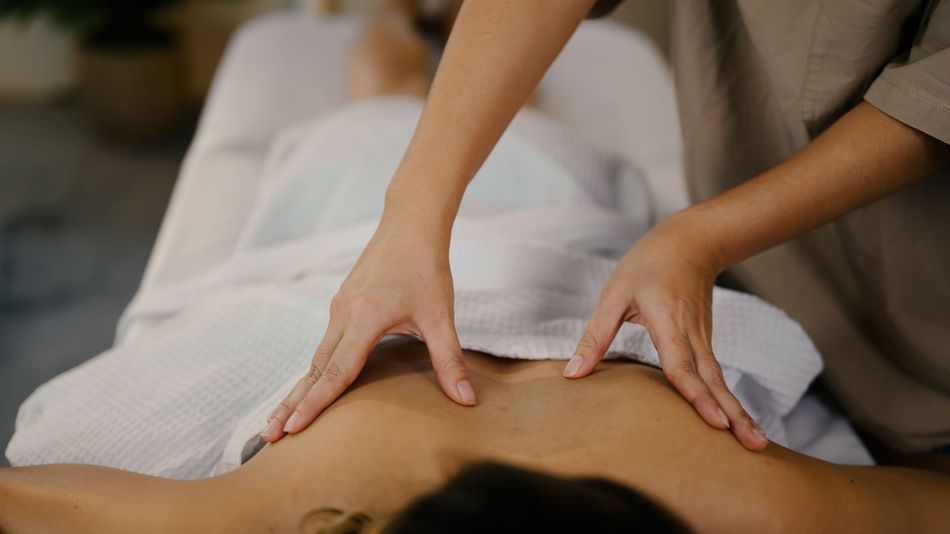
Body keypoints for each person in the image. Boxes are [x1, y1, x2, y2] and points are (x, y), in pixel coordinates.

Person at [265, 0, 950, 455]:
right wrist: (412, 208)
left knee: (433, 98)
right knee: (400, 92)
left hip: (548, 205)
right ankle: (399, 12)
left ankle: (401, 18)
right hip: (429, 208)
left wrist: (699, 237)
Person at [3, 343, 950, 533]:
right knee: (378, 100)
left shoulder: (762, 505)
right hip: (441, 279)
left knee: (384, 102)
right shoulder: (761, 507)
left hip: (530, 265)